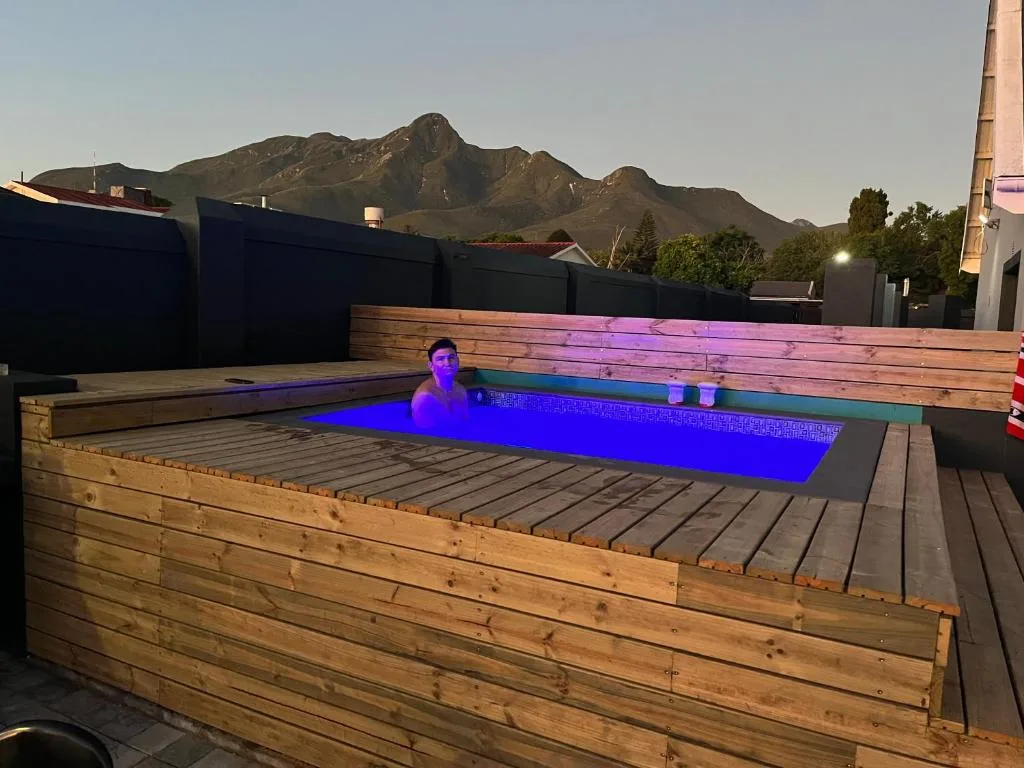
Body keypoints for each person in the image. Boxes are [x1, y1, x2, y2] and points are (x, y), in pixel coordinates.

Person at [411, 338, 469, 428]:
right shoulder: (425, 397)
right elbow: (423, 435)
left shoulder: (460, 390)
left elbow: (464, 423)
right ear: (431, 366)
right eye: (440, 359)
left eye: (451, 358)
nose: (447, 363)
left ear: (457, 361)